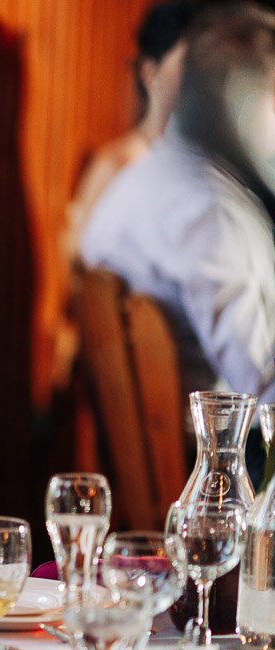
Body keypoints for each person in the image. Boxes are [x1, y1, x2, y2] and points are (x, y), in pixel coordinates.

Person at [80, 0, 275, 407]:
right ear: (240, 98)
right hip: (219, 440)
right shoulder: (207, 211)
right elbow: (262, 385)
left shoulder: (140, 180)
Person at [64, 1, 195, 260]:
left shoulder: (195, 165)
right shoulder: (118, 162)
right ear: (150, 73)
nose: (196, 79)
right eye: (186, 65)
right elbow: (77, 256)